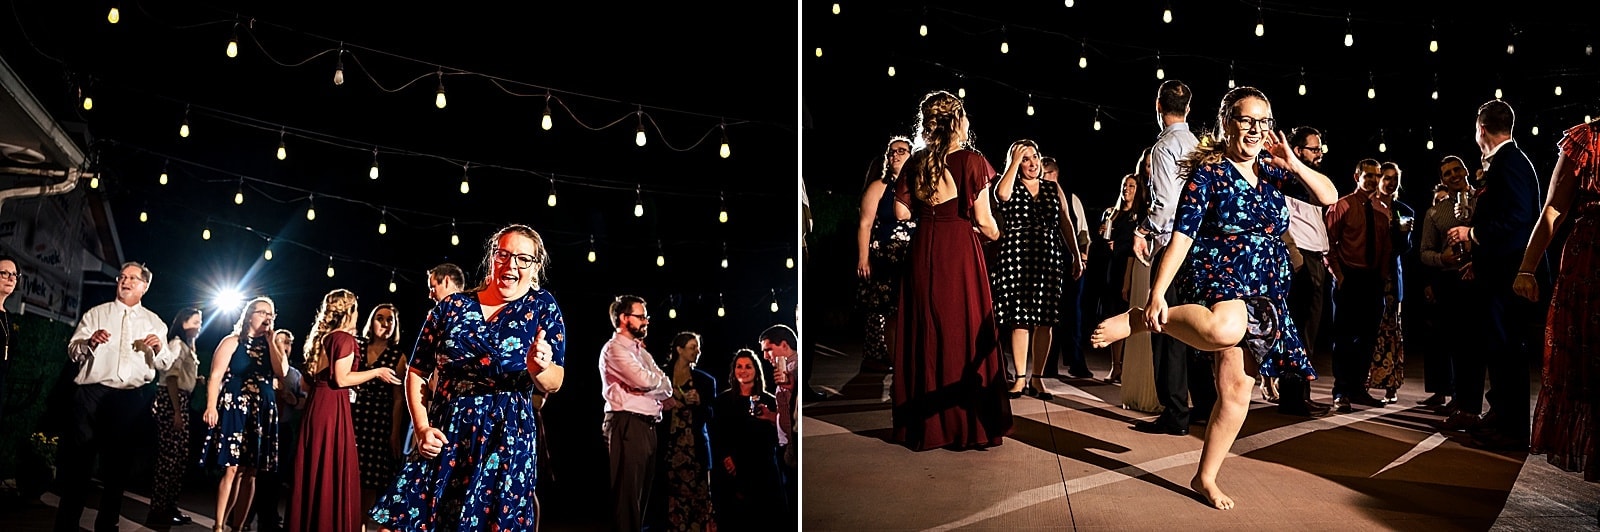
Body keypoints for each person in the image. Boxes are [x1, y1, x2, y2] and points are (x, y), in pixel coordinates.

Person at [1092, 86, 1338, 509]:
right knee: (1223, 327)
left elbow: (1329, 196)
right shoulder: (1208, 173)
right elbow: (1183, 237)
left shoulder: (1273, 170)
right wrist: (1157, 294)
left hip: (1267, 287)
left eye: (1264, 122)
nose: (1256, 130)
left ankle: (1204, 477)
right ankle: (1140, 320)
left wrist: (1291, 159)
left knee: (1237, 392)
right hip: (1220, 273)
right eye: (1247, 120)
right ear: (1227, 122)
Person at [370, 224, 565, 531]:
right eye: (503, 254)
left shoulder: (542, 307)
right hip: (446, 433)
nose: (511, 264)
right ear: (492, 257)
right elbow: (417, 371)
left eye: (523, 259)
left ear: (535, 266)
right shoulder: (452, 306)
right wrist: (421, 428)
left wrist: (540, 366)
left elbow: (555, 381)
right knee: (399, 524)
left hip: (505, 440)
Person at [890, 89, 1014, 451]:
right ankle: (966, 426)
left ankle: (924, 426)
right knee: (964, 329)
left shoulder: (916, 162)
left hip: (923, 249)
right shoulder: (972, 161)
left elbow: (901, 212)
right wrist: (994, 234)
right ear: (958, 121)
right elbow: (986, 222)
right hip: (959, 252)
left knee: (925, 331)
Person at [1446, 99, 1542, 451]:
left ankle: (1513, 429)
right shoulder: (1507, 162)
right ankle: (1501, 417)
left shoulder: (1509, 163)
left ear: (1480, 129)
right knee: (1499, 351)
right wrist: (1479, 260)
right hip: (1496, 271)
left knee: (1507, 353)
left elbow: (1520, 219)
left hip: (1508, 277)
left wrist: (1471, 236)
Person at [57, 262, 174, 532]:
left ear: (144, 286)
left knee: (117, 471)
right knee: (79, 468)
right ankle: (65, 527)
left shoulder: (154, 322)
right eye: (122, 276)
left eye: (133, 278)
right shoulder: (96, 314)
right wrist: (89, 343)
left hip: (130, 401)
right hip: (91, 396)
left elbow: (166, 364)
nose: (125, 281)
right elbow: (73, 351)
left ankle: (107, 526)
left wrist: (158, 349)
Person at [1516, 118, 1598, 481]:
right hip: (1592, 260)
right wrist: (1527, 268)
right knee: (1592, 368)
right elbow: (1552, 209)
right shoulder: (1588, 139)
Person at [287, 289, 401, 532]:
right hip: (332, 408)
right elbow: (341, 378)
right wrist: (377, 372)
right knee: (329, 469)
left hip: (317, 406)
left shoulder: (324, 338)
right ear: (350, 311)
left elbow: (308, 381)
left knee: (316, 467)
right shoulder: (345, 339)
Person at [1131, 79, 1208, 436]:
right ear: (1188, 108)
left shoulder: (1163, 148)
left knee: (1164, 328)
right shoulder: (1198, 145)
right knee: (1194, 329)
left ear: (1158, 106)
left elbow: (1164, 208)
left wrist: (1142, 230)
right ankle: (1204, 405)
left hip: (1172, 246)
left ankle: (1175, 413)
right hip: (1199, 247)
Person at [990, 139, 1084, 401]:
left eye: (1034, 157)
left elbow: (1066, 222)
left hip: (1048, 256)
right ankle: (1020, 378)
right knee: (1019, 319)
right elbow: (1002, 195)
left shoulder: (1052, 188)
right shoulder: (1008, 183)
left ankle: (1038, 379)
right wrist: (1012, 163)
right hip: (1017, 255)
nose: (1031, 163)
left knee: (1045, 319)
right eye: (1025, 159)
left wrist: (1076, 254)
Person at [201, 297, 287, 532]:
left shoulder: (274, 346)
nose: (268, 318)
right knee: (231, 467)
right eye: (262, 313)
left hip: (262, 410)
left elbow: (282, 372)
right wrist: (211, 406)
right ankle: (219, 526)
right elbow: (216, 376)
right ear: (250, 315)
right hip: (236, 406)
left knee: (251, 471)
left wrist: (271, 343)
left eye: (271, 314)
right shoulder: (232, 341)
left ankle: (238, 527)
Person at [1326, 158, 1394, 413]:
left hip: (1373, 280)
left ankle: (1358, 389)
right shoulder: (1342, 206)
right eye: (1369, 176)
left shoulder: (1382, 208)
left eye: (1377, 176)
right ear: (1357, 177)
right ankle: (1341, 392)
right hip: (1349, 277)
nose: (1374, 180)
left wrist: (1383, 278)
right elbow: (1328, 244)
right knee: (1343, 338)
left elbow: (1386, 247)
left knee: (1367, 338)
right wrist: (1339, 276)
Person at [601, 294, 672, 532]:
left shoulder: (641, 352)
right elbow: (644, 380)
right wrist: (653, 384)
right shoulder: (614, 349)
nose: (646, 321)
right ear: (624, 318)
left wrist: (655, 384)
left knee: (641, 498)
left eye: (646, 316)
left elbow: (666, 386)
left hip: (646, 425)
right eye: (641, 316)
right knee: (627, 497)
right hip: (627, 423)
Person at [1278, 127, 1334, 417]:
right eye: (1314, 148)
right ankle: (1294, 398)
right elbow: (1282, 220)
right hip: (1300, 259)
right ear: (1297, 151)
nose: (1320, 153)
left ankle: (1298, 396)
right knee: (1299, 332)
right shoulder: (1289, 180)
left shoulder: (1306, 180)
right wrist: (1296, 256)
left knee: (1306, 333)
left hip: (1314, 258)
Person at [856, 136, 916, 373]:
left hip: (913, 255)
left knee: (911, 312)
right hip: (886, 257)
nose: (895, 155)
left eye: (902, 150)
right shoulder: (879, 186)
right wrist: (863, 257)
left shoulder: (919, 184)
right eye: (892, 152)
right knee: (891, 312)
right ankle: (895, 362)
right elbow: (865, 224)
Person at [711, 349, 781, 531]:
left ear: (756, 370)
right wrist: (726, 458)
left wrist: (770, 418)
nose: (743, 370)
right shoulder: (722, 401)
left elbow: (777, 436)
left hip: (762, 470)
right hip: (731, 470)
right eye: (739, 367)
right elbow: (717, 434)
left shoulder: (770, 401)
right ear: (733, 371)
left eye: (748, 366)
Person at [146, 307, 202, 528]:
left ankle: (169, 507)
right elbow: (170, 378)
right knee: (168, 459)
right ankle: (158, 510)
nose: (198, 326)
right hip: (172, 401)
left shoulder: (188, 346)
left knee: (179, 458)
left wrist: (197, 380)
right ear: (183, 322)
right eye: (195, 321)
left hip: (181, 399)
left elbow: (184, 377)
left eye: (200, 322)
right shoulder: (177, 344)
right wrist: (177, 412)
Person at [656, 332, 716, 532]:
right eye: (692, 347)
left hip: (694, 450)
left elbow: (712, 417)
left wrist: (700, 403)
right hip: (669, 448)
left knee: (698, 502)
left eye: (698, 347)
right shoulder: (661, 375)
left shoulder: (705, 381)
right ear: (679, 349)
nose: (697, 351)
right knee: (670, 501)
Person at [353, 303, 406, 525]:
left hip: (378, 421)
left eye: (389, 320)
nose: (385, 324)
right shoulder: (357, 347)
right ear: (371, 322)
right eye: (380, 318)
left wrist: (394, 433)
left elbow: (397, 399)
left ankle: (361, 527)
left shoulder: (398, 356)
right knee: (350, 477)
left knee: (370, 483)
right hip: (354, 417)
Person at [1366, 162, 1415, 404]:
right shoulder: (1367, 206)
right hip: (1369, 275)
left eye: (1394, 178)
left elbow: (1404, 249)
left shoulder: (1403, 210)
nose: (1390, 182)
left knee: (1392, 330)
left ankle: (1390, 386)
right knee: (1368, 329)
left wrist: (1403, 232)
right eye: (1386, 177)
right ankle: (1362, 382)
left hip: (1391, 280)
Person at [1099, 172, 1149, 384]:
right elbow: (1104, 244)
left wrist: (1127, 280)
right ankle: (1115, 366)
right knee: (1110, 313)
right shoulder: (1112, 214)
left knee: (1126, 314)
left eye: (1131, 185)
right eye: (1124, 185)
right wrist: (1103, 236)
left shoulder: (1139, 216)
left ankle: (1128, 367)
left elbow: (1132, 250)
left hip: (1127, 269)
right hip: (1111, 268)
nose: (1126, 189)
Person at [760, 323, 800, 529]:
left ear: (784, 345)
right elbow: (785, 414)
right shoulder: (784, 370)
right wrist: (770, 416)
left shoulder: (794, 369)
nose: (766, 356)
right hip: (786, 447)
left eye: (768, 349)